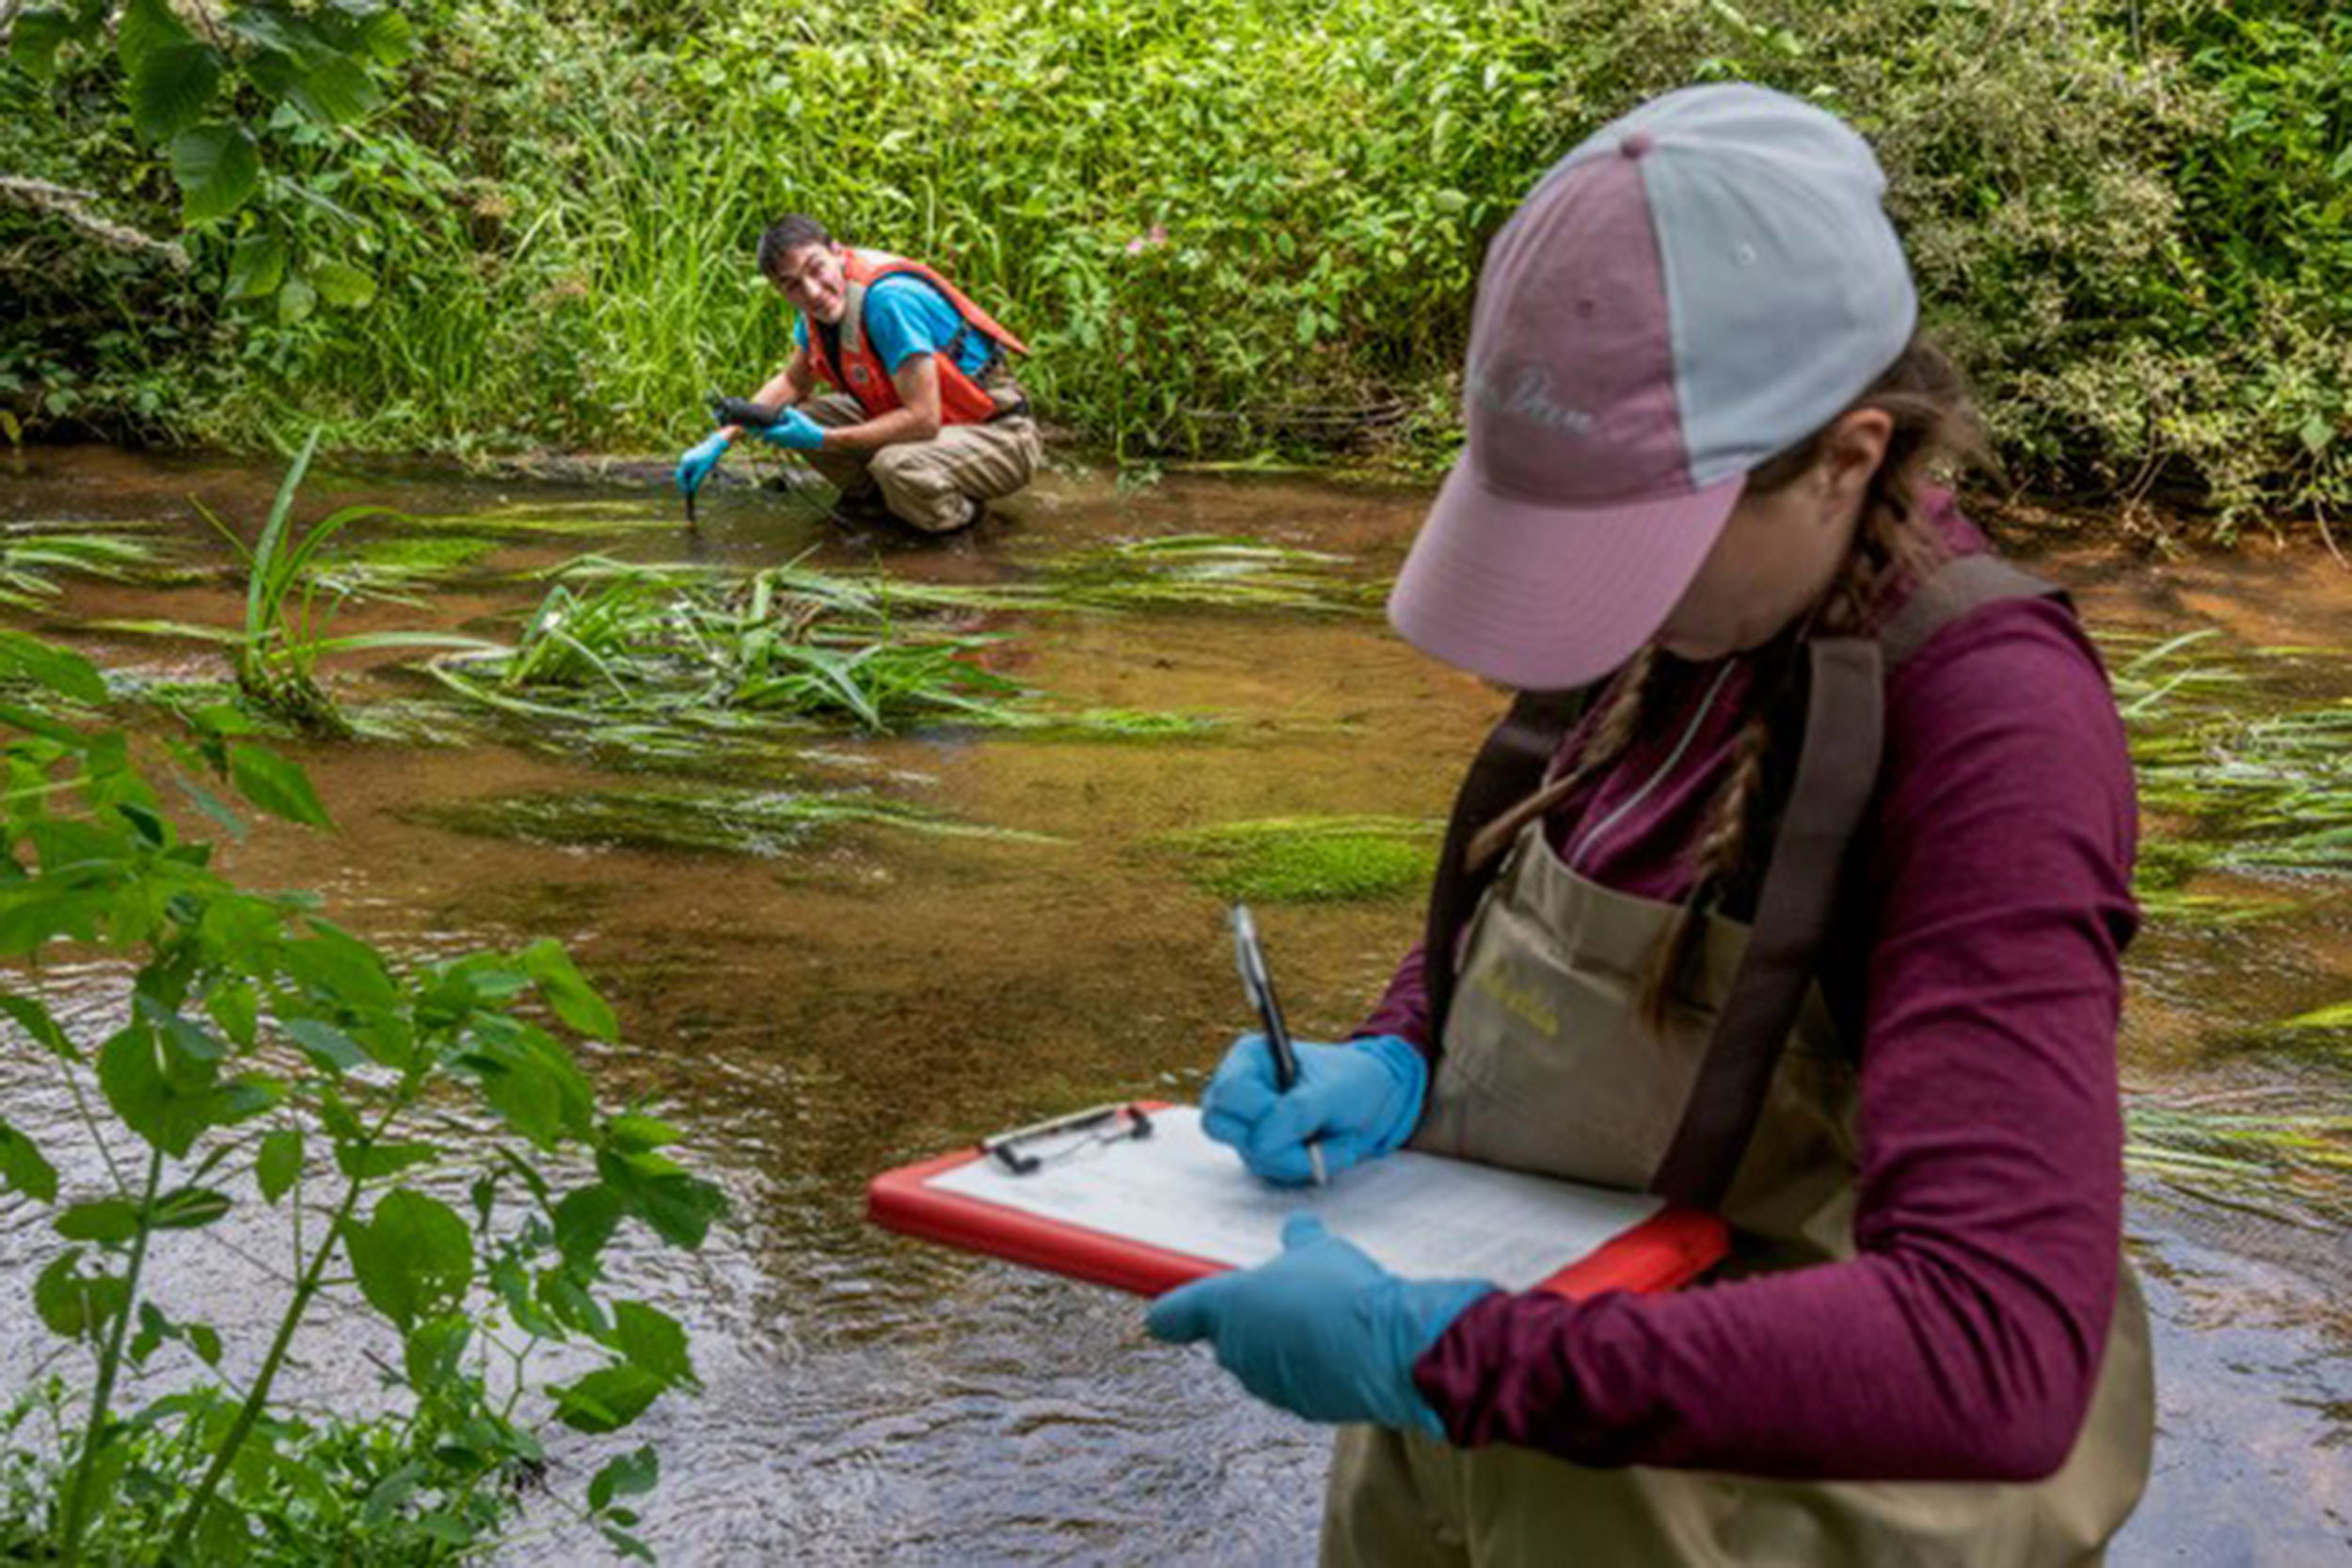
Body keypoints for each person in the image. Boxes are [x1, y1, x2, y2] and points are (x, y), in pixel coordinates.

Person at [1146, 83, 2153, 1565]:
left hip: (1758, 1507)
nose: (1593, 601)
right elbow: (1523, 926)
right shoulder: (1674, 622)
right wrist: (1398, 1050)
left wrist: (1444, 1356)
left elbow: (1990, 1351)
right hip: (1490, 1463)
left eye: (1631, 545)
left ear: (1849, 456)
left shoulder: (1994, 726)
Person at [675, 215, 1040, 533]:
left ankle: (963, 528)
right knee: (797, 417)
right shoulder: (821, 311)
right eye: (792, 285)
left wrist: (824, 439)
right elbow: (792, 383)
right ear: (780, 290)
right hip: (943, 427)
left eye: (815, 269)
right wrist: (721, 439)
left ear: (837, 251)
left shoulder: (886, 301)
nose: (813, 292)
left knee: (897, 466)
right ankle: (883, 506)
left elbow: (923, 420)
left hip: (1001, 434)